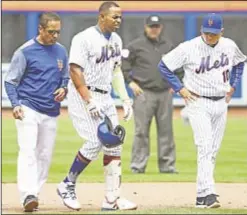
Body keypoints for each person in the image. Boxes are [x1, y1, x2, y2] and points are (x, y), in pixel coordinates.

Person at [158, 13, 246, 208]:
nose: (209, 37)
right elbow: (163, 66)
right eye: (206, 33)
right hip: (198, 101)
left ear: (221, 32)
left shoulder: (229, 46)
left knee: (212, 150)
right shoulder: (189, 48)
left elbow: (240, 63)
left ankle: (201, 197)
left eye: (214, 34)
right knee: (205, 146)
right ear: (201, 31)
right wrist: (180, 87)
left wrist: (233, 85)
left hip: (221, 102)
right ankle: (209, 193)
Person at [56, 1, 137, 211]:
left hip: (106, 95)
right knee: (94, 141)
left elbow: (116, 71)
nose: (119, 20)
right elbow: (75, 70)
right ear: (101, 16)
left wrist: (125, 99)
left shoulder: (117, 40)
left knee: (115, 143)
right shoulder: (84, 38)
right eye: (114, 17)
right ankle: (67, 184)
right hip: (84, 94)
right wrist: (89, 100)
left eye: (120, 17)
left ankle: (112, 200)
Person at [4, 12, 69, 212]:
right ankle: (28, 194)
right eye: (51, 32)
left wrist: (63, 88)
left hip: (51, 110)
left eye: (58, 32)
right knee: (27, 151)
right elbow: (10, 81)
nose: (55, 36)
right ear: (40, 29)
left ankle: (35, 193)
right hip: (28, 107)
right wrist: (15, 104)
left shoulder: (61, 51)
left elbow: (64, 77)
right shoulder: (24, 52)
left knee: (45, 155)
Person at [121, 14, 178, 174]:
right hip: (143, 92)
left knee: (166, 131)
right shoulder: (135, 46)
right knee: (141, 132)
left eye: (157, 27)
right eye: (151, 27)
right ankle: (138, 166)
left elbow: (179, 66)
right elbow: (123, 65)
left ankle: (167, 166)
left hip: (165, 93)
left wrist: (177, 83)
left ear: (161, 28)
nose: (154, 30)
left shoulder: (168, 45)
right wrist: (130, 82)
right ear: (145, 27)